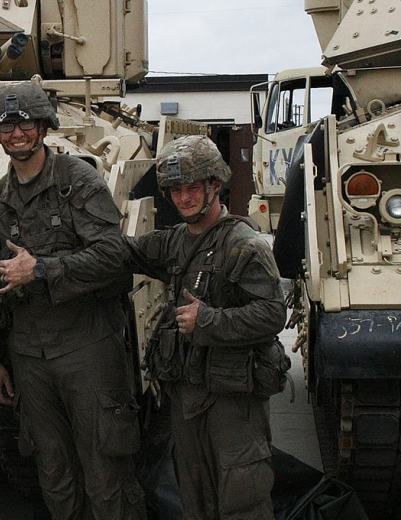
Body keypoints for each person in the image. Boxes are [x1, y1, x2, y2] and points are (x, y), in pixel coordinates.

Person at [0, 81, 147, 520]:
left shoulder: (78, 181)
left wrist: (43, 269)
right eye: (5, 125)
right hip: (28, 354)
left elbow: (114, 256)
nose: (15, 133)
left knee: (105, 467)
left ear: (43, 127)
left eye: (24, 123)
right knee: (52, 469)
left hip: (86, 345)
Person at [122, 135, 287, 520]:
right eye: (175, 190)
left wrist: (207, 320)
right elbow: (126, 252)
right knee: (195, 499)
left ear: (215, 184)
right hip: (188, 396)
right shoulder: (178, 240)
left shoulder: (243, 245)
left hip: (233, 401)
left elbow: (273, 314)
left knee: (241, 498)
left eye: (192, 187)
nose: (183, 199)